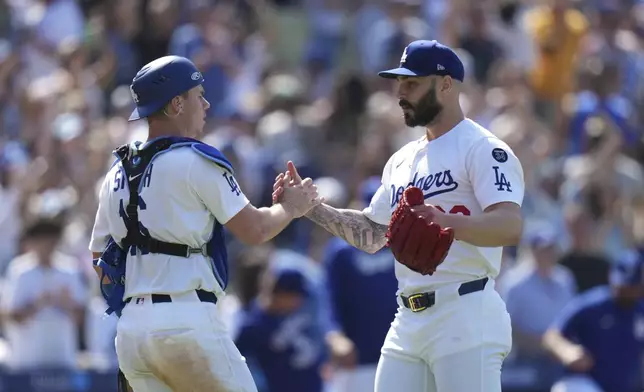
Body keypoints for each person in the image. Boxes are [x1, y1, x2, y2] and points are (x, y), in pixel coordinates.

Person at [274, 40, 525, 391]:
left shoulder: (484, 149)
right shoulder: (402, 159)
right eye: (399, 83)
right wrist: (312, 210)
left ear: (446, 84)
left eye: (412, 83)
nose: (400, 93)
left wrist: (448, 222)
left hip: (465, 310)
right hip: (407, 317)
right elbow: (374, 235)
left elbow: (510, 226)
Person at [89, 55, 321, 392]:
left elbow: (99, 259)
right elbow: (255, 230)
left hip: (132, 333)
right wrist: (290, 208)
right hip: (186, 322)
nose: (207, 104)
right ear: (176, 104)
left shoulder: (116, 173)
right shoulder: (195, 159)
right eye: (199, 95)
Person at [322, 177, 398, 392]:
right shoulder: (341, 251)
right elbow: (329, 298)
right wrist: (334, 335)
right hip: (356, 361)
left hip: (401, 354)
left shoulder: (403, 245)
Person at [543, 249, 644, 392]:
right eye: (622, 284)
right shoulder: (593, 304)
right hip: (583, 382)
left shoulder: (640, 310)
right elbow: (552, 336)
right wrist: (567, 351)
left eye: (631, 286)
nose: (625, 290)